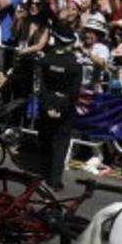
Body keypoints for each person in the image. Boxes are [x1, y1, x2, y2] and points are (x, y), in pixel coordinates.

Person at [37, 24, 84, 190]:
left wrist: (48, 105)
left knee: (45, 140)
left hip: (46, 106)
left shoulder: (45, 59)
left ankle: (42, 174)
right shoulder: (75, 64)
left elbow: (39, 86)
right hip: (65, 108)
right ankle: (54, 180)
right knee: (61, 143)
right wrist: (60, 107)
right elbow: (74, 93)